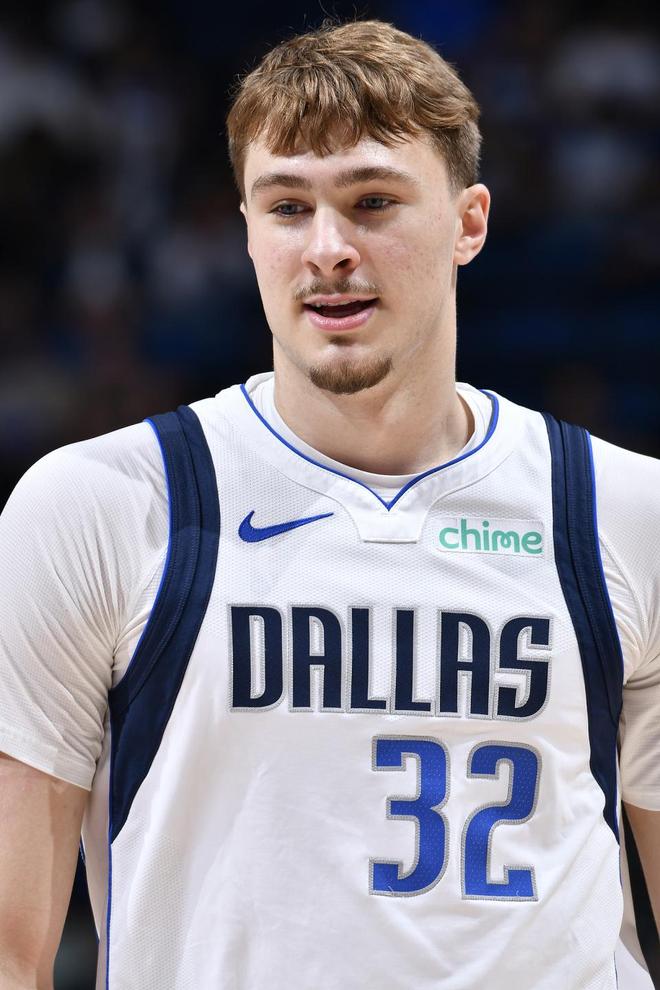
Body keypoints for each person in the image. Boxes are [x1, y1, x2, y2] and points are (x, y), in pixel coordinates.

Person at [0, 18, 658, 990]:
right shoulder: (101, 506)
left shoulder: (627, 513)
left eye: (372, 202)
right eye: (287, 207)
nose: (328, 248)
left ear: (469, 222)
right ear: (246, 229)